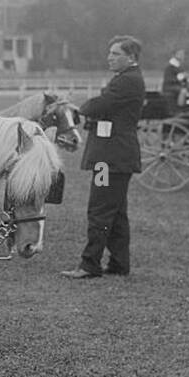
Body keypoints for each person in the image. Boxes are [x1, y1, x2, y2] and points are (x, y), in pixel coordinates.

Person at [60, 35, 146, 280]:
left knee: (99, 211)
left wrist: (78, 108)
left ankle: (89, 265)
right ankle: (119, 263)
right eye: (110, 53)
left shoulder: (126, 81)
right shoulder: (127, 79)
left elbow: (100, 105)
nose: (110, 57)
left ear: (131, 57)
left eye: (116, 53)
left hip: (109, 160)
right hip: (115, 157)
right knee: (115, 213)